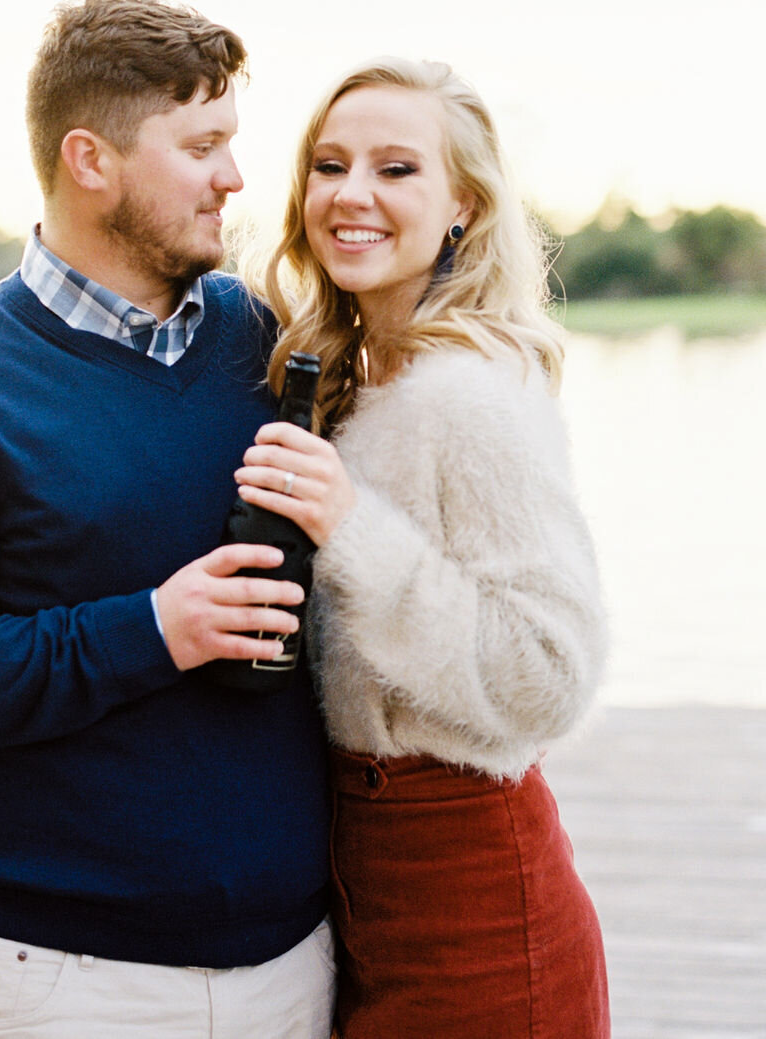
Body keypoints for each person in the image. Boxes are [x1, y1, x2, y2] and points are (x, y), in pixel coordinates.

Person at [0, 0, 334, 1039]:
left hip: (290, 960)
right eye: (201, 146)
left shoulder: (265, 345)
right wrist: (152, 629)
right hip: (53, 977)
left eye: (232, 143)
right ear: (90, 160)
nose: (234, 177)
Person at [232, 57, 611, 1037]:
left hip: (474, 894)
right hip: (363, 879)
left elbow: (551, 676)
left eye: (395, 168)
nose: (350, 194)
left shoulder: (470, 394)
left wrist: (349, 527)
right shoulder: (357, 378)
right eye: (329, 164)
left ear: (462, 208)